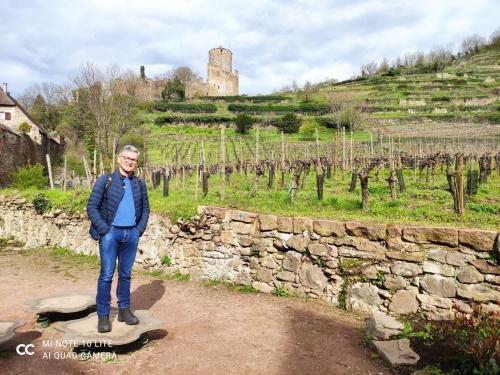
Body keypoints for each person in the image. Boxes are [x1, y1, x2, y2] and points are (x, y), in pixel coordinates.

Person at [87, 145, 150, 333]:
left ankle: (124, 310)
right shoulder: (105, 181)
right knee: (106, 275)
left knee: (125, 275)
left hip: (131, 234)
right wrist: (105, 230)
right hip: (110, 234)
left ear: (136, 162)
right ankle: (103, 315)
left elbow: (146, 209)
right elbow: (92, 207)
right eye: (127, 158)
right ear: (119, 158)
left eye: (134, 159)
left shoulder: (139, 183)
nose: (130, 162)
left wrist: (138, 230)